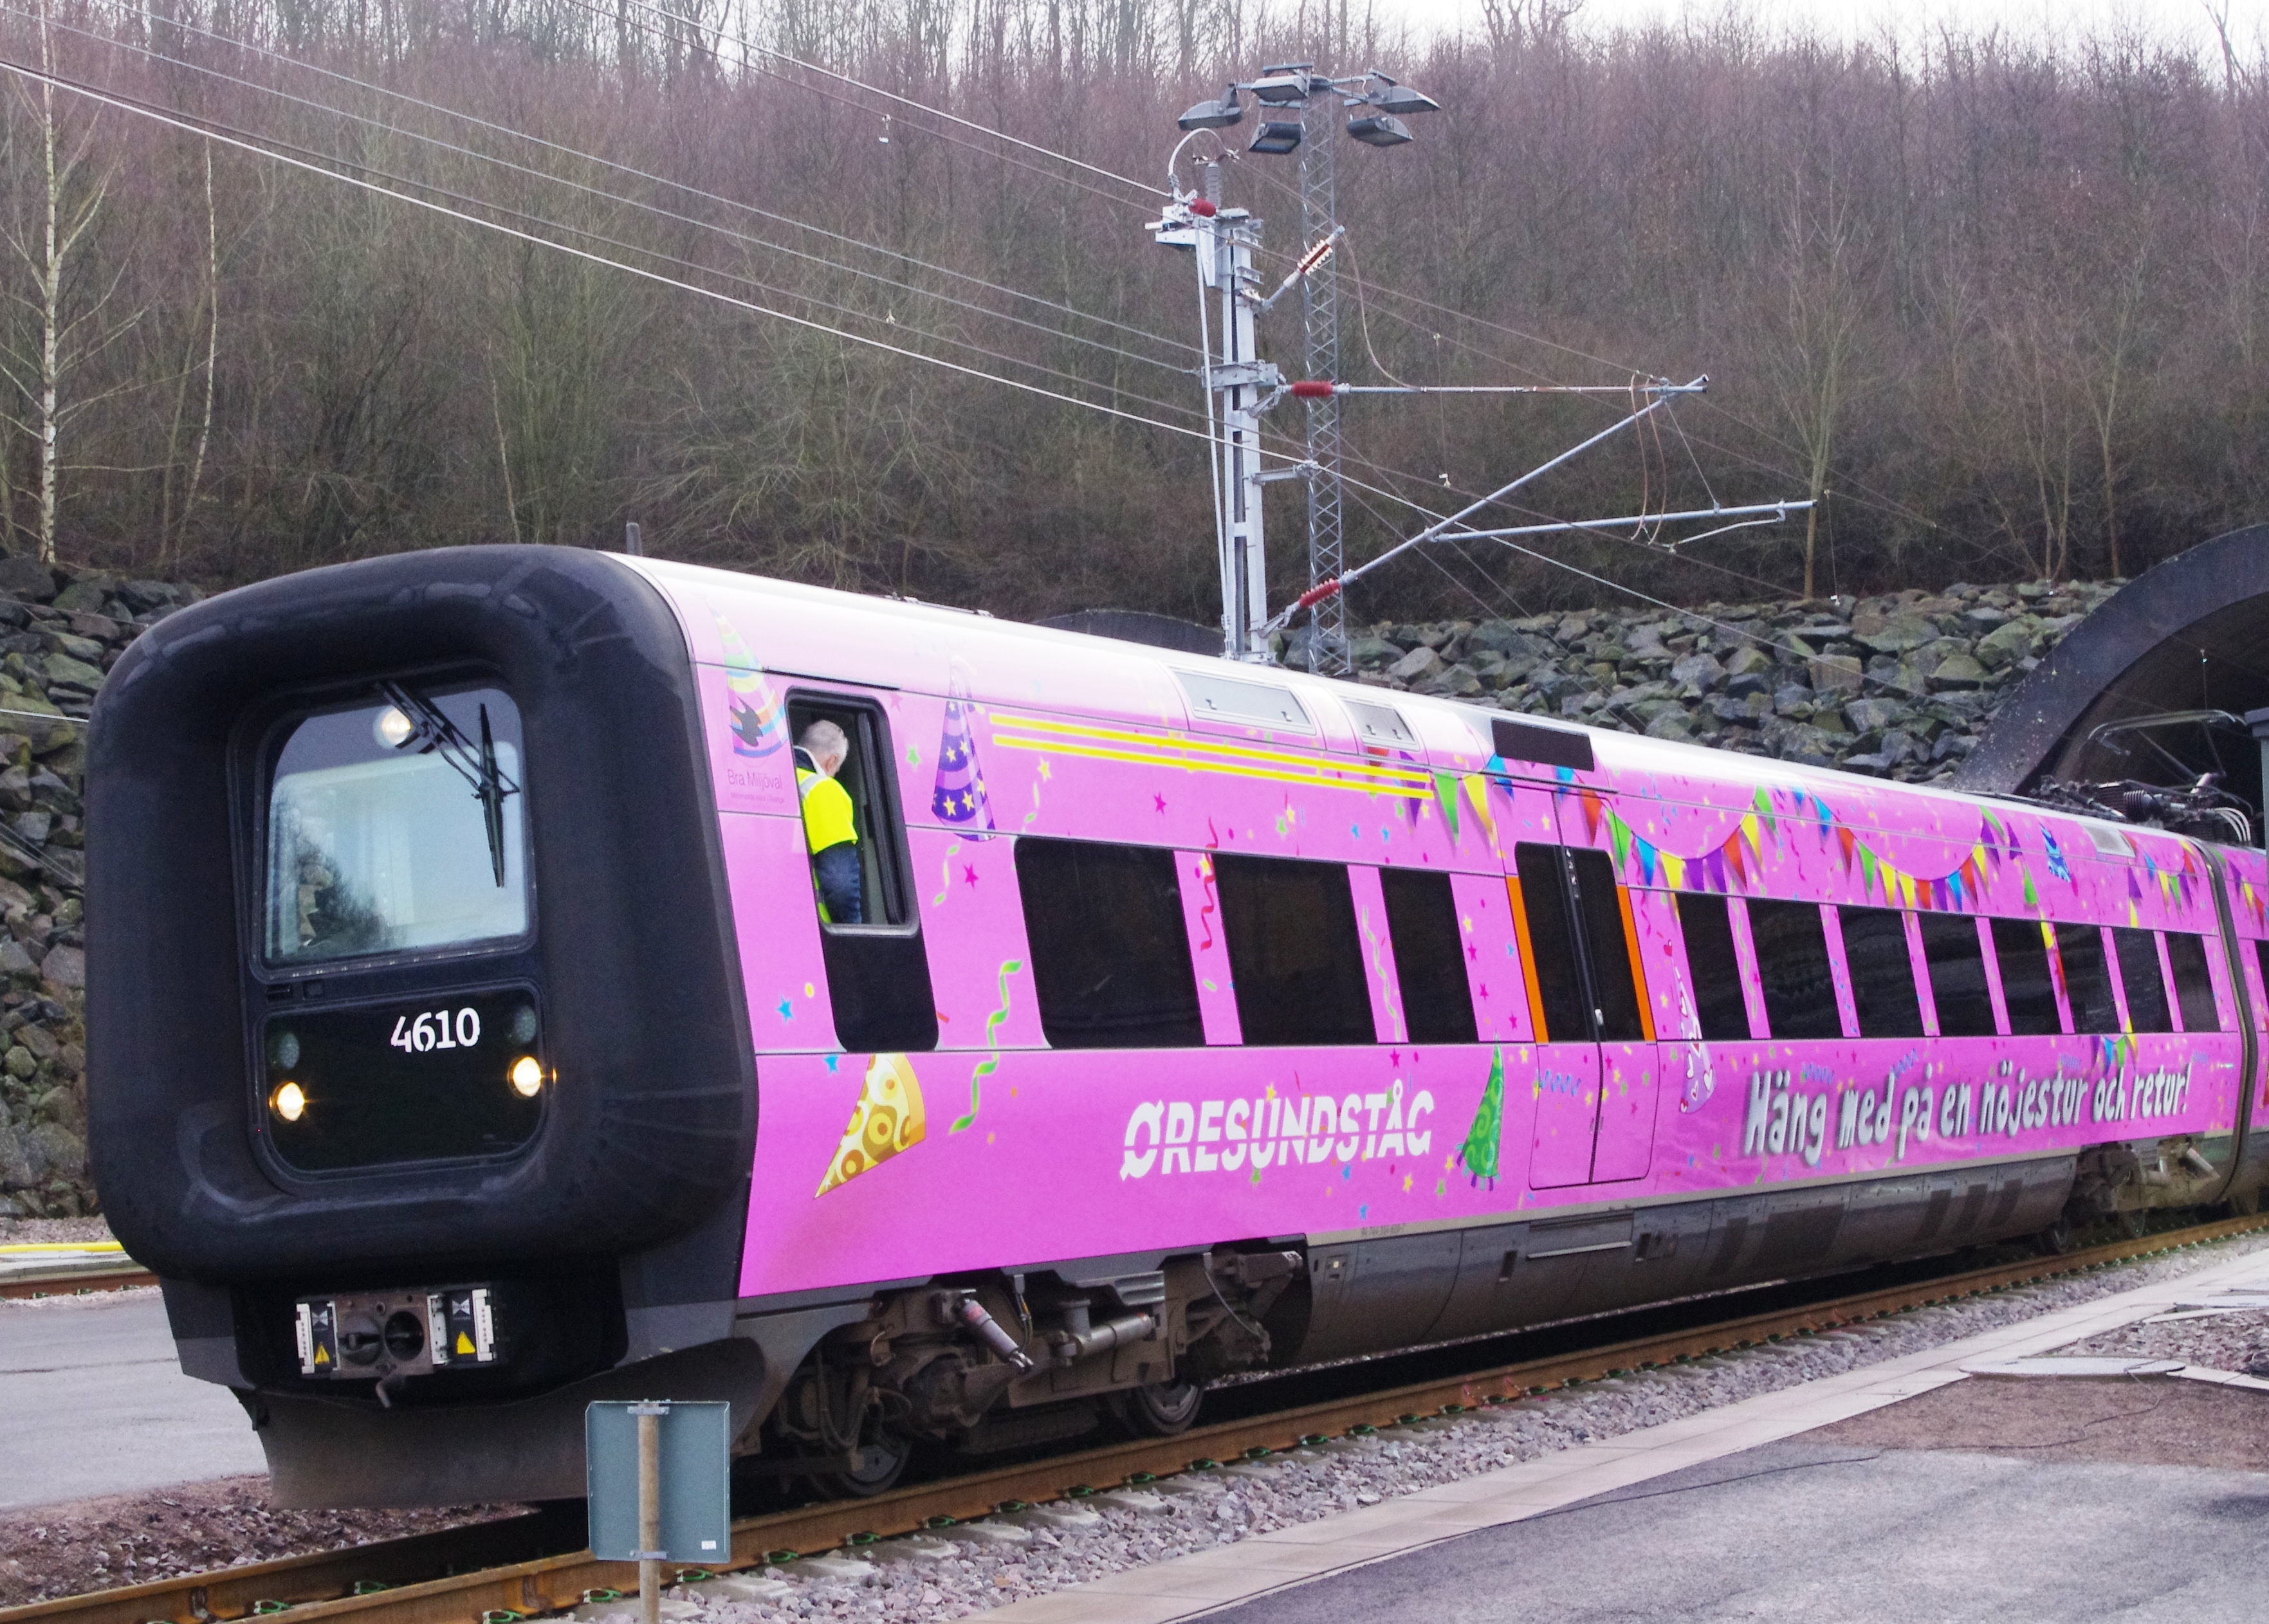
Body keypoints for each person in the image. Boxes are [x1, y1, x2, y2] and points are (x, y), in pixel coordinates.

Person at [795, 720, 863, 924]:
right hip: (815, 930)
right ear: (831, 761)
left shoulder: (776, 781)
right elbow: (840, 882)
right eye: (837, 769)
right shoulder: (824, 790)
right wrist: (854, 935)